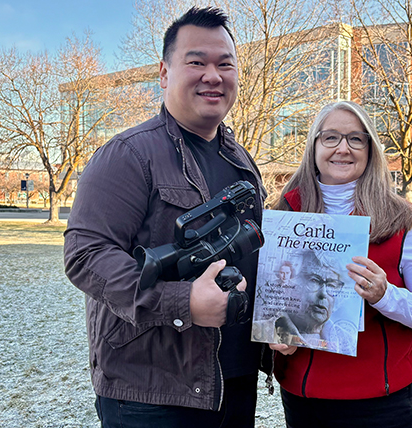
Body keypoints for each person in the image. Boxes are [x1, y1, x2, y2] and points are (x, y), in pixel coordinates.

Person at [64, 7, 268, 428]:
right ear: (164, 73)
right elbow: (85, 256)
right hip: (151, 395)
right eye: (197, 62)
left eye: (225, 64)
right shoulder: (128, 154)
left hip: (233, 382)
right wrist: (183, 303)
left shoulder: (241, 160)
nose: (213, 75)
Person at [270, 101, 412, 428]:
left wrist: (386, 296)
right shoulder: (284, 216)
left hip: (383, 404)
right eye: (330, 138)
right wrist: (278, 335)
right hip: (305, 399)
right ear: (313, 146)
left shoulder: (403, 221)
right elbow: (275, 306)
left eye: (356, 139)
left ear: (370, 150)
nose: (343, 148)